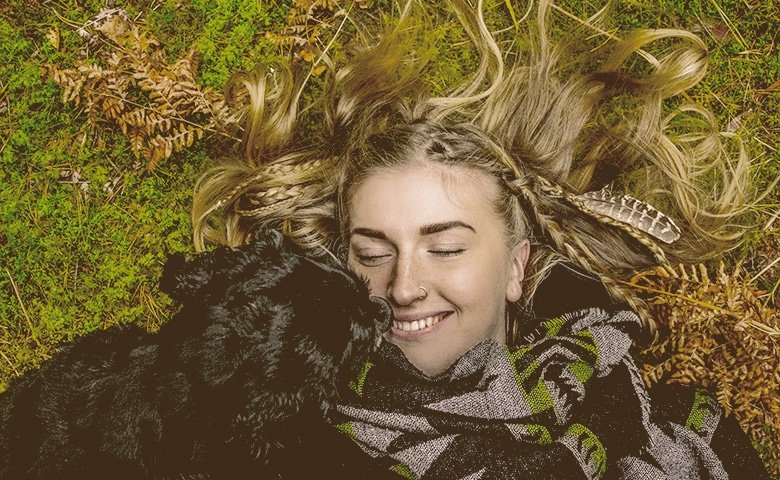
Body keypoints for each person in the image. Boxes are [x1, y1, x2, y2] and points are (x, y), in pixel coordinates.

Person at [190, 0, 770, 477]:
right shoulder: (279, 436)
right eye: (373, 253)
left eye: (444, 248)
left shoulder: (652, 420)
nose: (405, 286)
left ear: (517, 267)